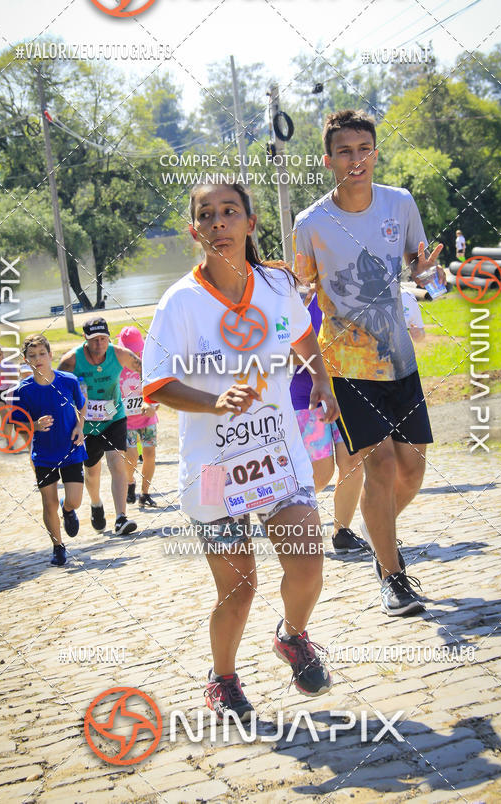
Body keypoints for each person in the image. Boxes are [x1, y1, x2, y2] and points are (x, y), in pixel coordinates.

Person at [142, 181, 339, 721]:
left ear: (250, 223)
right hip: (213, 472)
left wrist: (321, 381)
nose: (218, 222)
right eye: (206, 214)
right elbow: (156, 383)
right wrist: (213, 401)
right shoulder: (179, 302)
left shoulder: (276, 285)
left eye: (229, 211)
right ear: (195, 230)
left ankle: (292, 637)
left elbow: (303, 337)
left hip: (278, 457)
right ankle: (222, 679)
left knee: (308, 564)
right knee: (239, 587)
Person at [293, 108, 445, 617]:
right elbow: (299, 294)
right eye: (344, 152)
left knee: (412, 470)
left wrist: (429, 273)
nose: (355, 160)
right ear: (328, 160)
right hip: (346, 365)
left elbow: (422, 268)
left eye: (364, 149)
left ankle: (379, 535)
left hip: (398, 360)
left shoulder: (400, 203)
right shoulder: (310, 224)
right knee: (378, 465)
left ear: (375, 153)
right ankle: (393, 576)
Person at [290, 290, 367, 555]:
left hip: (348, 392)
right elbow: (284, 352)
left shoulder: (353, 297)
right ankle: (289, 519)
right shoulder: (298, 299)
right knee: (321, 473)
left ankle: (342, 532)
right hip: (307, 395)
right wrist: (320, 355)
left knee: (353, 461)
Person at [59, 318, 142, 537]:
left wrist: (150, 399)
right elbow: (56, 389)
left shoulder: (120, 354)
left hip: (114, 417)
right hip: (85, 425)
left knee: (117, 463)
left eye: (103, 339)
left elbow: (145, 370)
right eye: (94, 340)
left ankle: (121, 518)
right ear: (85, 340)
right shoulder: (71, 360)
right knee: (92, 472)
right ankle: (96, 504)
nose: (99, 344)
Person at [12, 335, 86, 566]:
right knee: (48, 502)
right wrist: (34, 425)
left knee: (75, 500)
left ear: (50, 355)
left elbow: (82, 405)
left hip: (71, 449)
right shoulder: (23, 390)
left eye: (42, 354)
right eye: (32, 356)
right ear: (26, 360)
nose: (38, 359)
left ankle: (68, 510)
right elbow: (17, 425)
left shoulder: (68, 381)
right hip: (44, 454)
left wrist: (80, 426)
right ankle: (58, 546)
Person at [118, 326, 159, 509]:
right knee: (132, 456)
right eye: (130, 350)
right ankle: (130, 482)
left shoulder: (147, 362)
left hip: (147, 418)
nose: (135, 354)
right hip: (125, 422)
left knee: (150, 454)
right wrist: (113, 411)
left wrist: (154, 405)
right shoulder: (115, 366)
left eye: (137, 350)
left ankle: (145, 493)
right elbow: (108, 395)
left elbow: (158, 388)